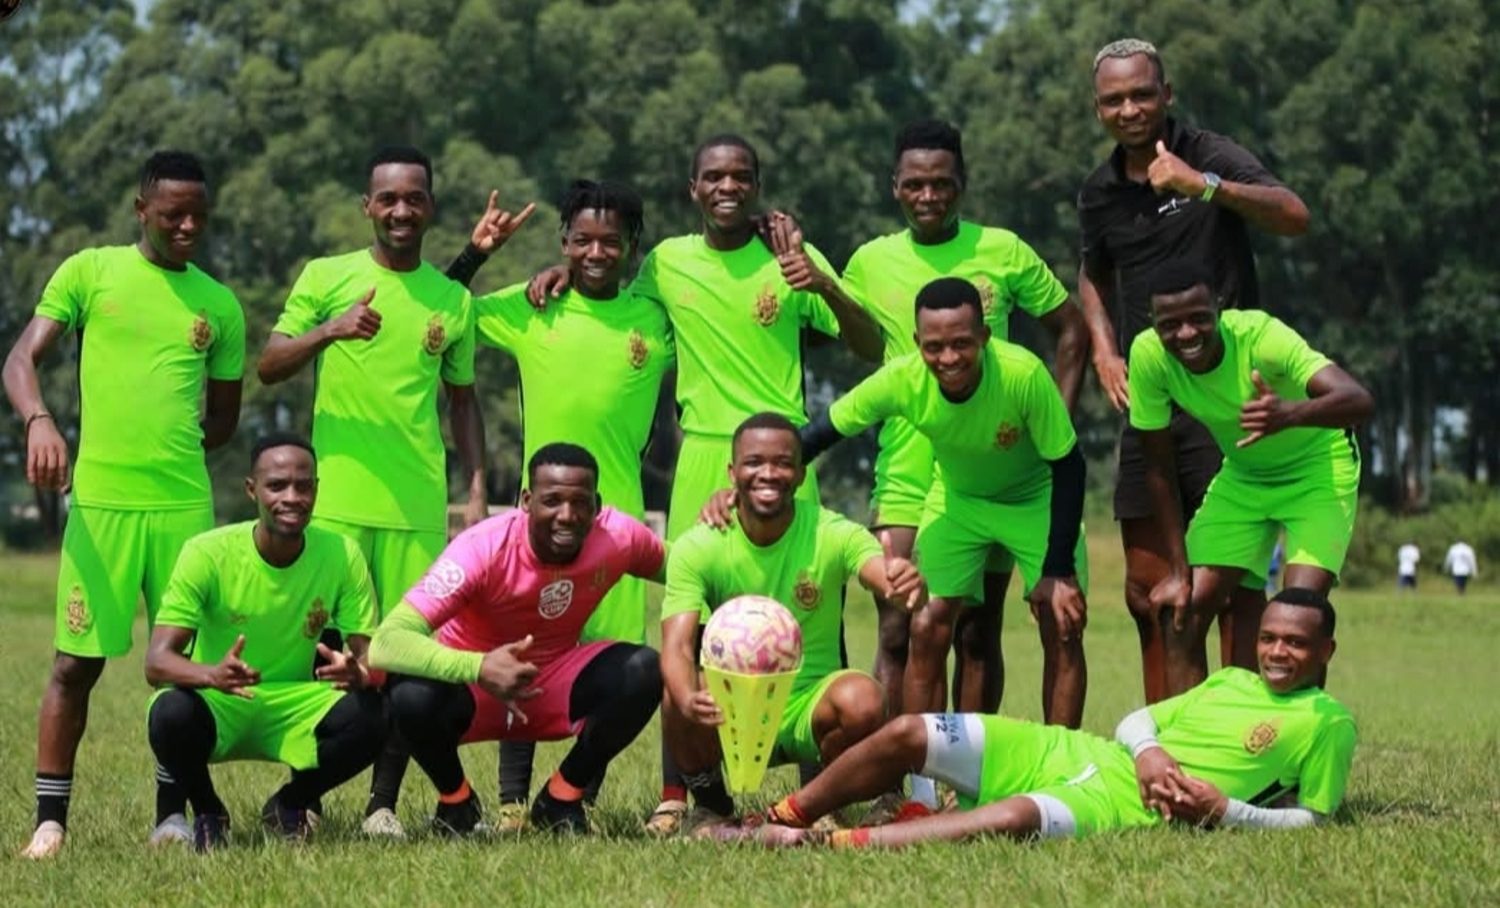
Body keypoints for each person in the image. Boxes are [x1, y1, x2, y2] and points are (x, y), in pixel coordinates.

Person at [529, 133, 884, 833]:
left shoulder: (791, 260)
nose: (728, 187)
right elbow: (611, 298)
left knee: (814, 621)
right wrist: (559, 271)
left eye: (741, 176)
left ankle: (818, 797)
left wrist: (823, 285)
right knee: (686, 633)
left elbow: (870, 344)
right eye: (714, 176)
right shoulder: (665, 263)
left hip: (784, 459)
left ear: (756, 184)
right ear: (692, 188)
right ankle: (676, 794)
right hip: (702, 458)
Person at [2, 151, 245, 859]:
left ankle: (172, 815)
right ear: (142, 210)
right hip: (101, 506)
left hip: (183, 513)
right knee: (75, 664)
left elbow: (223, 421)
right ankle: (50, 822)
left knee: (181, 668)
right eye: (174, 214)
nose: (188, 226)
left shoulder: (219, 304)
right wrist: (40, 421)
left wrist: (170, 448)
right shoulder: (90, 271)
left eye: (199, 214)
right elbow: (20, 361)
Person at [734, 588, 1355, 847]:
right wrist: (1152, 753)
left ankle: (830, 845)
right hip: (1078, 752)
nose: (1278, 652)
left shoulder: (1327, 722)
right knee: (907, 732)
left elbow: (1313, 819)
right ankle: (781, 817)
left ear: (1325, 651)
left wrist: (1226, 812)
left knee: (1009, 818)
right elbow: (1138, 721)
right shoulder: (1232, 680)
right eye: (1271, 637)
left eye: (1296, 644)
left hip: (1128, 807)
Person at [257, 145, 489, 837]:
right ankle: (307, 795)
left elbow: (464, 401)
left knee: (399, 659)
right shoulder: (327, 277)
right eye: (387, 198)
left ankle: (382, 805)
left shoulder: (452, 301)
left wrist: (476, 489)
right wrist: (330, 330)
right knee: (327, 659)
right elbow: (268, 365)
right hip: (335, 507)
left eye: (413, 198)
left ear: (430, 208)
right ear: (367, 206)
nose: (400, 210)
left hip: (416, 507)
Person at [840, 119, 1088, 762]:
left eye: (943, 184)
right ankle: (895, 770)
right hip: (909, 461)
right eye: (916, 184)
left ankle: (974, 767)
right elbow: (838, 336)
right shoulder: (869, 259)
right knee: (901, 623)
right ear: (895, 187)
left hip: (997, 464)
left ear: (963, 185)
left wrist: (1046, 424)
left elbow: (1071, 329)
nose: (930, 196)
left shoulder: (1002, 249)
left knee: (978, 631)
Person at [1078, 38, 1312, 702]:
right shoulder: (1098, 192)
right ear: (1098, 109)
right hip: (1151, 402)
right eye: (1114, 100)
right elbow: (1092, 274)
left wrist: (1202, 186)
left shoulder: (1208, 154)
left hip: (1224, 403)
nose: (1129, 109)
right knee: (1150, 591)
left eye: (1141, 94)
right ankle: (1172, 745)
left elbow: (1295, 215)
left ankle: (1245, 741)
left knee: (1234, 587)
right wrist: (1103, 348)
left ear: (1167, 95)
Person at [446, 180, 672, 824]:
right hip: (538, 522)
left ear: (633, 247)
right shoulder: (530, 306)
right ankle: (514, 801)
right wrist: (475, 254)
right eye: (581, 241)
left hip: (618, 522)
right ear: (563, 243)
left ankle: (573, 797)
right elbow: (435, 309)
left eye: (611, 242)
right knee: (526, 644)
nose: (595, 252)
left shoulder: (655, 319)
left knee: (615, 663)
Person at [795, 277, 1089, 730]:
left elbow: (1069, 467)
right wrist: (753, 476)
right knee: (926, 625)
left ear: (985, 337)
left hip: (1036, 499)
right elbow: (823, 431)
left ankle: (1063, 773)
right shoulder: (903, 378)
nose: (948, 358)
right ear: (917, 343)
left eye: (961, 344)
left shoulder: (1022, 374)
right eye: (934, 347)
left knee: (1062, 622)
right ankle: (925, 781)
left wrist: (1057, 571)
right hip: (958, 501)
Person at [368, 443, 666, 836]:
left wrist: (738, 527)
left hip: (551, 683)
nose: (567, 515)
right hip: (472, 688)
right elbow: (386, 642)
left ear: (597, 504)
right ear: (527, 501)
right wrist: (478, 666)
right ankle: (457, 803)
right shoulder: (480, 548)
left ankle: (561, 797)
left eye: (580, 502)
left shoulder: (618, 536)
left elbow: (685, 569)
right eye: (552, 501)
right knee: (409, 694)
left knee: (644, 669)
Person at [661, 413, 925, 835]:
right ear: (733, 472)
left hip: (806, 709)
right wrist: (687, 698)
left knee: (863, 699)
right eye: (754, 462)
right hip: (729, 712)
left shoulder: (830, 530)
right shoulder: (700, 545)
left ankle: (813, 806)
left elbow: (877, 569)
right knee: (678, 692)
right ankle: (713, 809)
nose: (768, 473)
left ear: (801, 474)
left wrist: (899, 581)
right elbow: (675, 646)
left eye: (783, 463)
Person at [1129, 261, 1373, 695]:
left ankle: (1291, 750)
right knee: (1180, 609)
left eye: (1198, 318)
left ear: (1219, 307)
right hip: (1245, 475)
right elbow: (1158, 466)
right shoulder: (1148, 356)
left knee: (1298, 620)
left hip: (1318, 467)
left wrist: (1291, 414)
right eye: (1170, 324)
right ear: (1152, 322)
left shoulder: (1262, 338)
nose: (1186, 333)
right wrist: (1179, 571)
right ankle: (1197, 747)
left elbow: (1357, 400)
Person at [144, 435, 384, 852]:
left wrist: (359, 673)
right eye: (276, 486)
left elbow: (367, 658)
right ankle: (208, 811)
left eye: (303, 486)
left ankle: (290, 803)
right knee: (169, 712)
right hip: (223, 700)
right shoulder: (207, 553)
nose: (292, 497)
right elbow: (156, 662)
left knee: (381, 712)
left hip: (295, 703)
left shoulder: (342, 554)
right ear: (252, 490)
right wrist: (211, 675)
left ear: (316, 490)